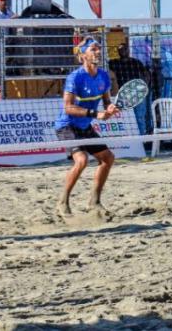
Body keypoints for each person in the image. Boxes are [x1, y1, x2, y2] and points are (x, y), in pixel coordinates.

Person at [54, 37, 119, 219]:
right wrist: (95, 114)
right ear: (83, 55)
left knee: (107, 158)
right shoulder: (75, 77)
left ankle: (94, 202)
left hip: (84, 125)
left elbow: (106, 102)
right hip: (67, 125)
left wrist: (110, 108)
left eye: (98, 49)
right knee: (81, 160)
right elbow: (68, 107)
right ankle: (63, 201)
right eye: (93, 49)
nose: (98, 52)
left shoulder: (103, 76)